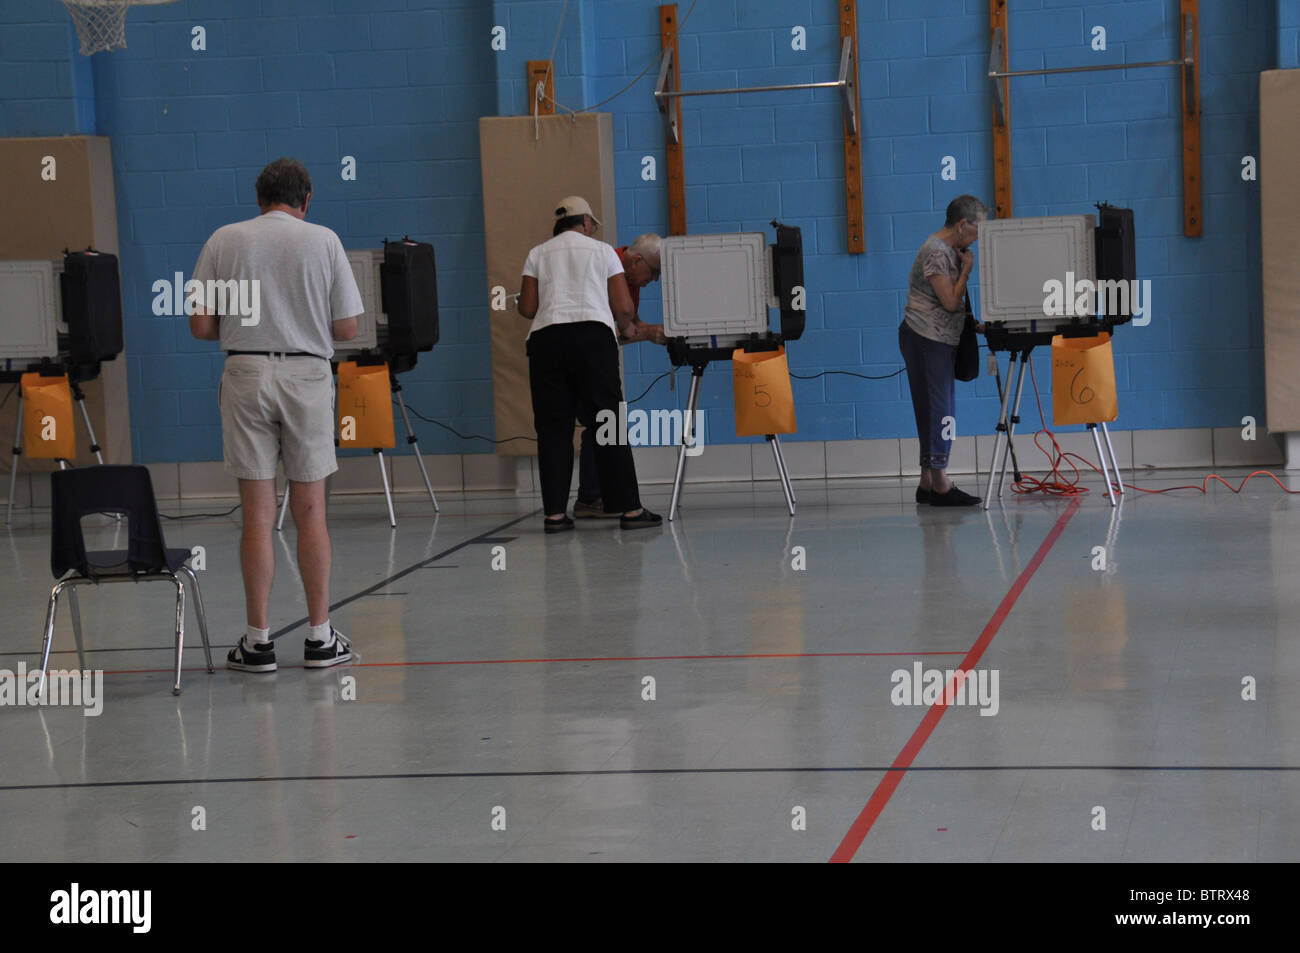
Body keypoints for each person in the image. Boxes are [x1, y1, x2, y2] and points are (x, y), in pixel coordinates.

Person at [188, 157, 363, 672]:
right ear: (305, 200)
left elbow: (200, 327)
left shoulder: (224, 239)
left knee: (258, 517)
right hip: (307, 376)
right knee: (310, 511)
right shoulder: (323, 240)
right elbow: (349, 328)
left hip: (244, 374)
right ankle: (319, 637)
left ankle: (258, 641)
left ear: (260, 198)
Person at [516, 196, 662, 533]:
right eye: (592, 224)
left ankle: (554, 515)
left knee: (553, 430)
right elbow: (623, 306)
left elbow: (526, 307)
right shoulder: (603, 252)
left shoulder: (537, 253)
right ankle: (630, 510)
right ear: (584, 223)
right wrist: (628, 330)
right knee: (608, 424)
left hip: (546, 342)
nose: (594, 229)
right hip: (592, 339)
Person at [899, 194, 988, 507]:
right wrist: (968, 270)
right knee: (941, 411)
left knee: (931, 409)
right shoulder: (937, 252)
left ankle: (927, 480)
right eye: (978, 229)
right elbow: (950, 301)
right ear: (962, 225)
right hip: (926, 338)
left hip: (933, 338)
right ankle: (940, 483)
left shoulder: (948, 249)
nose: (978, 237)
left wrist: (972, 322)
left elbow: (951, 305)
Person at [574, 232, 666, 519]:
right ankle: (595, 499)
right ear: (637, 260)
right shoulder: (607, 264)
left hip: (596, 355)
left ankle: (593, 496)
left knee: (602, 424)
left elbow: (631, 322)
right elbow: (602, 331)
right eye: (654, 273)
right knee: (603, 423)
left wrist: (652, 330)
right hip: (581, 353)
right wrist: (645, 334)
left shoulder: (629, 274)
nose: (653, 281)